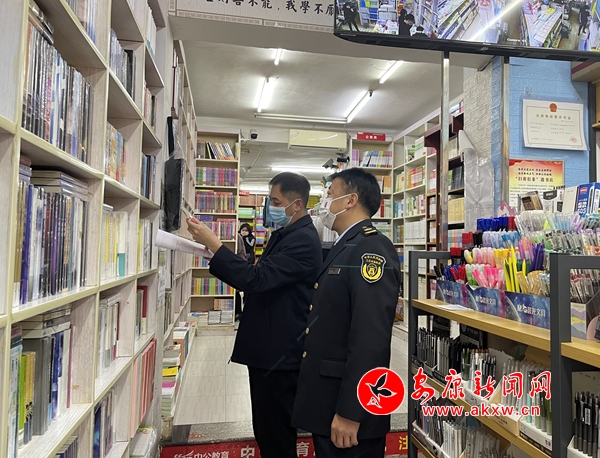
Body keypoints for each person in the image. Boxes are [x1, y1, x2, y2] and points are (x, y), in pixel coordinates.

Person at [186, 172, 322, 458]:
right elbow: (258, 278)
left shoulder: (303, 240)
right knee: (267, 428)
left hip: (280, 354)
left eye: (276, 202)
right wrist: (216, 253)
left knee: (275, 433)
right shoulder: (286, 234)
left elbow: (257, 279)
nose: (270, 207)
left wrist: (216, 246)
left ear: (297, 204)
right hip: (270, 349)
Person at [292, 168, 401, 458]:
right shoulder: (347, 244)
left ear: (350, 200)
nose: (324, 202)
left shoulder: (370, 249)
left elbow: (370, 338)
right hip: (329, 398)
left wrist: (352, 411)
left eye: (329, 194)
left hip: (348, 411)